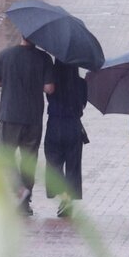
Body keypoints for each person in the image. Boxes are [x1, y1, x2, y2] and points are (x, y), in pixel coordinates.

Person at [0, 36, 56, 216]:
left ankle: (19, 190)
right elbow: (49, 88)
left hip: (10, 115)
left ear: (21, 34)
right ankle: (25, 204)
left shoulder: (6, 55)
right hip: (33, 117)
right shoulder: (44, 58)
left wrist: (10, 82)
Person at [44, 61, 89, 215]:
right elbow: (82, 106)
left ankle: (63, 195)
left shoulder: (52, 83)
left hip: (55, 124)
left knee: (53, 163)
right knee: (73, 166)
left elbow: (48, 94)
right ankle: (68, 198)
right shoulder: (82, 83)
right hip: (74, 126)